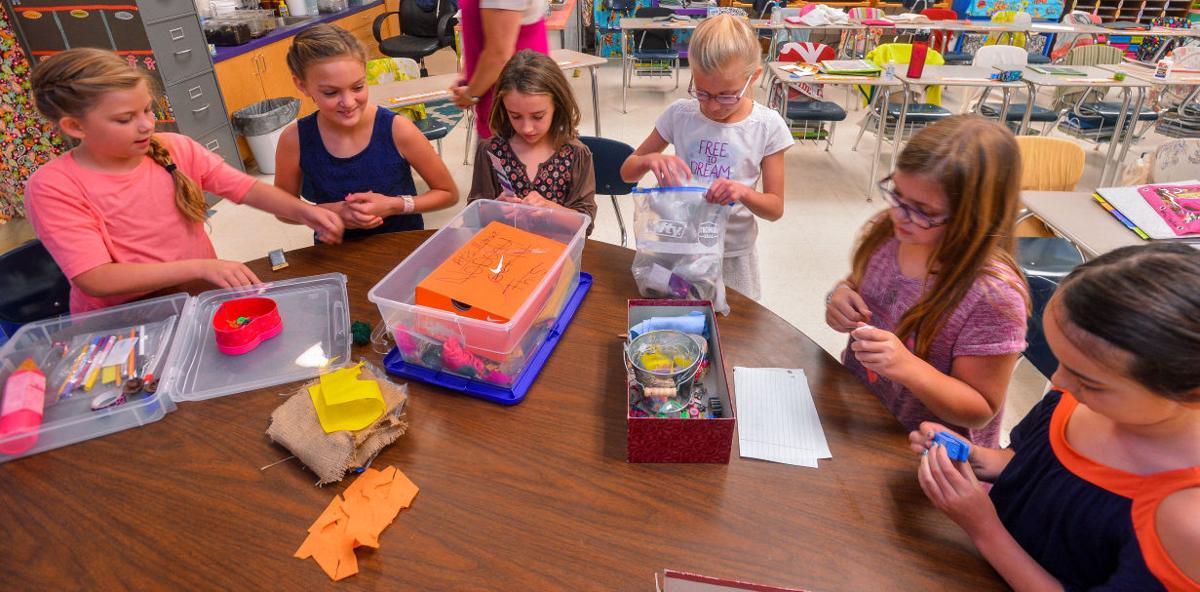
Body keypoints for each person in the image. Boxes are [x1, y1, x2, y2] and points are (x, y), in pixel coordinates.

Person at [911, 243, 1200, 591]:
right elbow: (1032, 467)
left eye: (1088, 380)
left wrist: (983, 528)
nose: (1058, 381)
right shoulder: (1075, 398)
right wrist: (976, 459)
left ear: (1189, 394)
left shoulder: (1185, 520)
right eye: (1059, 359)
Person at [25, 47, 343, 314]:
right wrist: (200, 267)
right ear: (74, 126)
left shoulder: (175, 147)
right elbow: (95, 277)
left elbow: (246, 188)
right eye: (125, 119)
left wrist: (305, 212)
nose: (146, 125)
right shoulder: (53, 187)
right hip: (126, 319)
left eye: (148, 110)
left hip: (195, 298)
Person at [824, 116, 1028, 448]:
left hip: (925, 459)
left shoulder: (993, 297)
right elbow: (857, 283)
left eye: (923, 210)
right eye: (898, 195)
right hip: (862, 418)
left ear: (974, 217)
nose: (898, 215)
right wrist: (840, 296)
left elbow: (980, 409)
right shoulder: (889, 233)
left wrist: (906, 366)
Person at [619, 14, 792, 301]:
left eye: (726, 95)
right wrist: (649, 161)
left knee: (733, 329)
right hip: (677, 246)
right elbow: (627, 172)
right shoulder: (680, 115)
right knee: (673, 317)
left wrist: (742, 192)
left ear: (754, 77)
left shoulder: (766, 126)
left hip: (732, 254)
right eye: (702, 92)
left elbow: (774, 208)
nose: (712, 106)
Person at [275, 24, 458, 240]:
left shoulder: (397, 129)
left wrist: (394, 205)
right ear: (302, 85)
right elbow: (282, 208)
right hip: (336, 254)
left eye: (358, 87)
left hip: (401, 247)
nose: (349, 102)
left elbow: (448, 194)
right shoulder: (294, 139)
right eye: (331, 92)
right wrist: (334, 212)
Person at [467, 50, 596, 234]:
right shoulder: (491, 151)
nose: (527, 128)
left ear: (557, 106)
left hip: (558, 255)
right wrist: (494, 208)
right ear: (504, 108)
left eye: (538, 116)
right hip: (504, 252)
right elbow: (473, 216)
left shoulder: (576, 155)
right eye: (516, 116)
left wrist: (550, 209)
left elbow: (586, 224)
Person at [450, 0, 549, 139]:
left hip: (516, 104)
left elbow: (499, 55)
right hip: (502, 101)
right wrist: (467, 71)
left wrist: (470, 94)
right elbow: (486, 32)